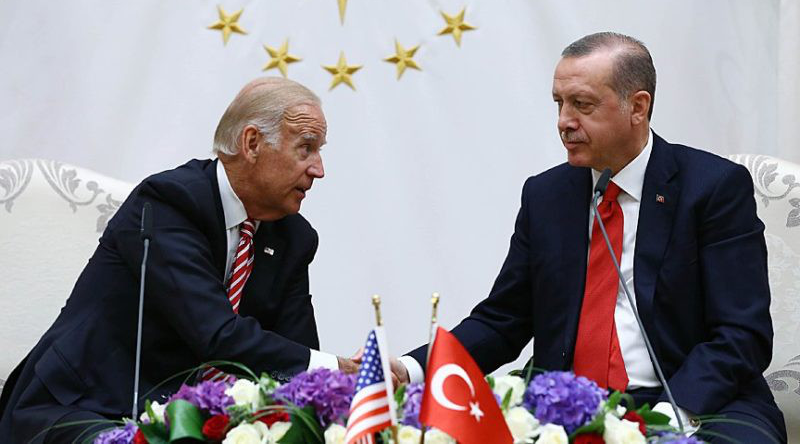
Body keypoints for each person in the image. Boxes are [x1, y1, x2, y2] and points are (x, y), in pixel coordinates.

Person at [392, 32, 787, 442]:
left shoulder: (712, 189)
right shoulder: (547, 195)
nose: (564, 120)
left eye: (582, 104)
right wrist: (412, 368)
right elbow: (503, 321)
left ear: (637, 107)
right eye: (559, 103)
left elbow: (742, 335)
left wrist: (666, 419)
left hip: (693, 400)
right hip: (568, 401)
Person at [0, 77, 358, 443]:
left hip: (191, 421)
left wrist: (344, 381)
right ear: (252, 144)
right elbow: (215, 334)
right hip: (80, 407)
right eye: (306, 148)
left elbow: (295, 356)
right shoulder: (168, 202)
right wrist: (337, 366)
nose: (319, 169)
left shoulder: (293, 238)